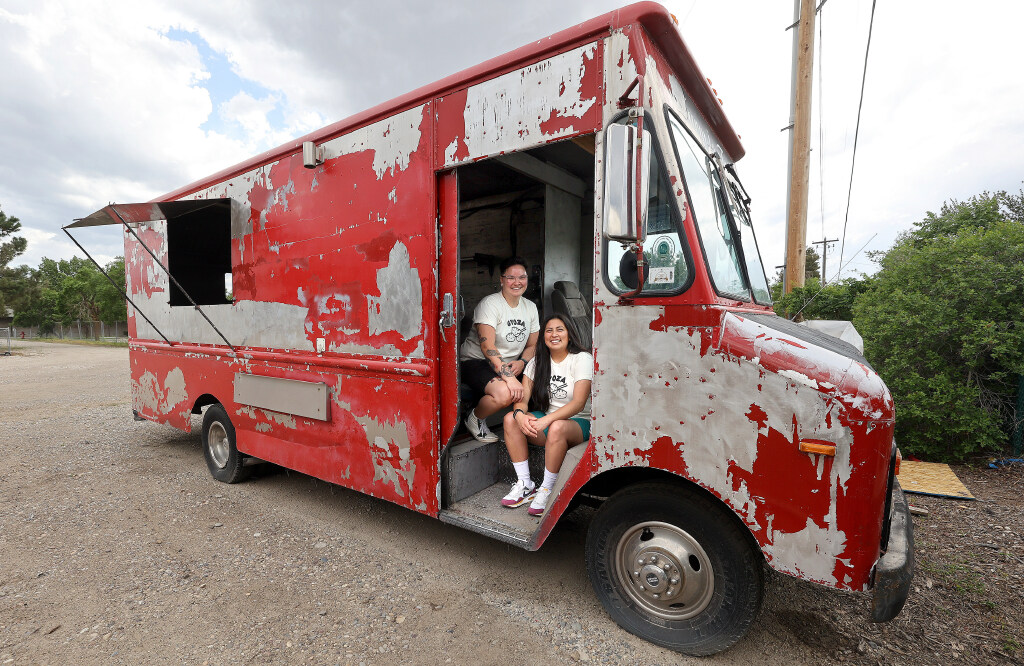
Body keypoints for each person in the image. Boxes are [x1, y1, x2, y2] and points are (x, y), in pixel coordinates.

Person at [500, 314, 592, 516]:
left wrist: (546, 421)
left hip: (579, 423)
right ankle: (525, 483)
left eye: (560, 329)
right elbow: (522, 400)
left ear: (569, 334)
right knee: (510, 420)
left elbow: (578, 403)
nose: (554, 334)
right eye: (549, 331)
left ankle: (548, 488)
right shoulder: (537, 362)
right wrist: (520, 416)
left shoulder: (582, 359)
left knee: (557, 427)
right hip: (549, 423)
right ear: (543, 337)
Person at [459, 257, 540, 443]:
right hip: (476, 361)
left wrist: (523, 362)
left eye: (522, 277)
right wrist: (509, 378)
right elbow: (487, 346)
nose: (517, 282)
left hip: (510, 362)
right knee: (505, 394)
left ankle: (523, 424)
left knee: (540, 377)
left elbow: (532, 345)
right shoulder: (490, 304)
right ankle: (474, 418)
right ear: (501, 280)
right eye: (511, 277)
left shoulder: (531, 307)